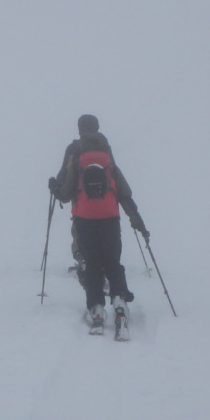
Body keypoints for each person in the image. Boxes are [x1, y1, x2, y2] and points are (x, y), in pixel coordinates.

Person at [48, 114, 150, 334]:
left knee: (93, 264)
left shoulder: (74, 152)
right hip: (110, 217)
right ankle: (120, 305)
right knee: (113, 262)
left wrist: (55, 188)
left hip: (84, 217)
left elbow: (65, 193)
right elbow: (123, 191)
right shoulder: (106, 154)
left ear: (79, 129)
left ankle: (96, 309)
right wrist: (137, 220)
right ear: (97, 128)